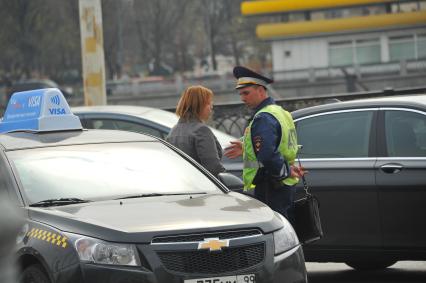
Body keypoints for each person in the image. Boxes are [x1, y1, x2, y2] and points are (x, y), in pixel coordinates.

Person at [224, 66, 305, 223]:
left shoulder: (263, 117)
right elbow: (281, 147)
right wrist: (248, 149)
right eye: (240, 94)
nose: (242, 98)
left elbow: (267, 155)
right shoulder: (281, 112)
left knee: (275, 231)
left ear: (260, 90)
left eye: (246, 93)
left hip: (271, 184)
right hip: (283, 184)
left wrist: (284, 172)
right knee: (285, 226)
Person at [166, 85, 226, 177]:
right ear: (199, 105)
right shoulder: (201, 130)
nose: (211, 107)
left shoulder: (174, 130)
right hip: (204, 187)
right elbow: (213, 167)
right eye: (209, 103)